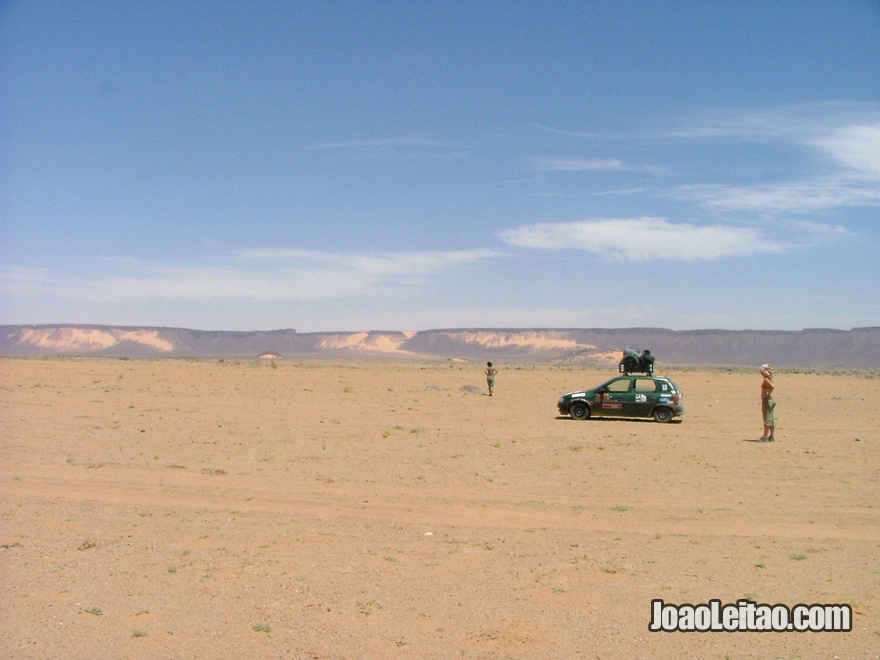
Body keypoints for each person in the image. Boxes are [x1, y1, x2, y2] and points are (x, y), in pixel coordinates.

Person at [759, 364, 775, 442]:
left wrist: (768, 394)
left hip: (766, 400)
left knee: (766, 418)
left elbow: (772, 386)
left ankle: (765, 436)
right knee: (770, 418)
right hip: (770, 400)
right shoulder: (770, 379)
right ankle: (771, 436)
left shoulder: (766, 380)